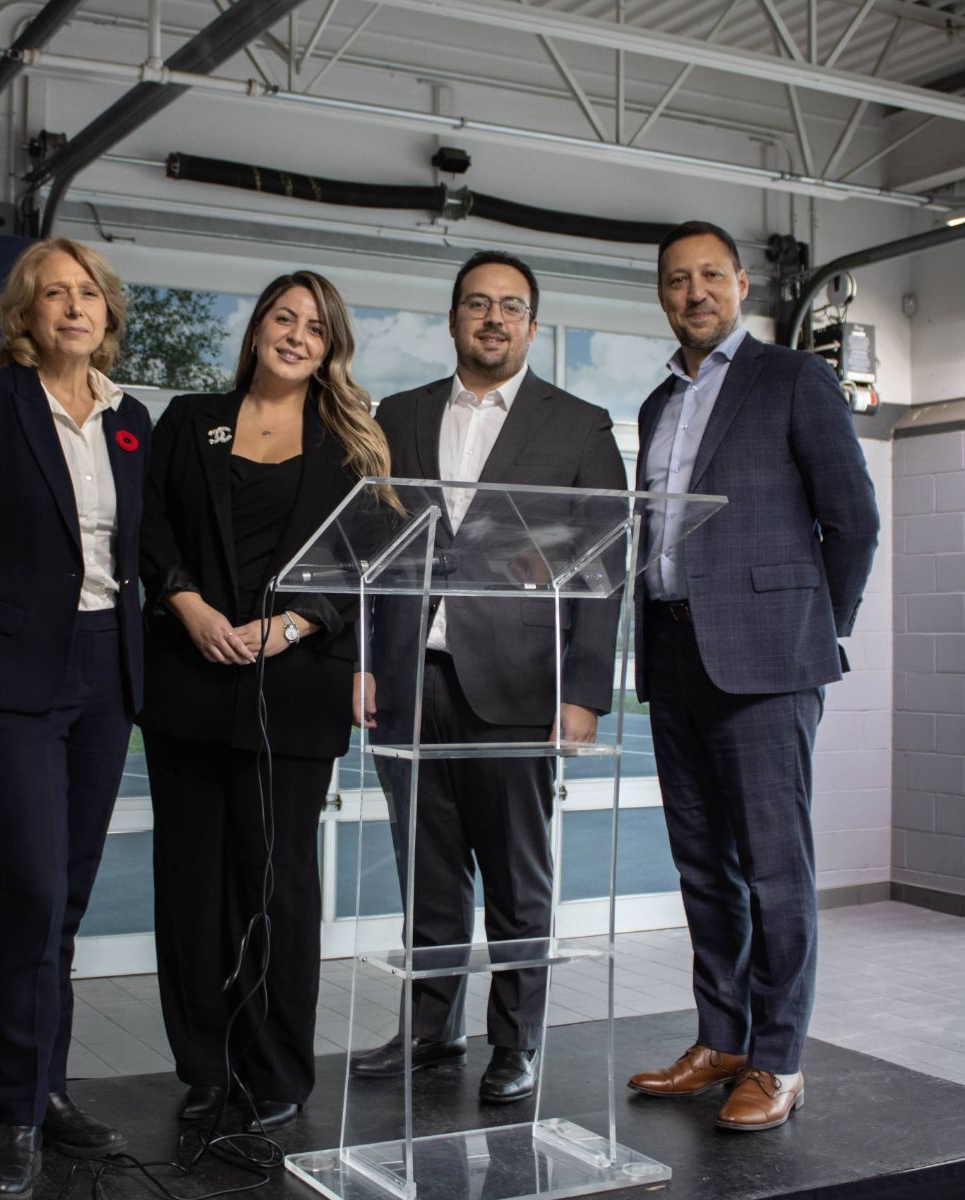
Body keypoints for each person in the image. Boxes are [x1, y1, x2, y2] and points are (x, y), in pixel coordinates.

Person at [0, 237, 150, 1199]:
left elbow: (144, 548)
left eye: (88, 293)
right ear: (25, 315)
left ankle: (50, 1090)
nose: (74, 307)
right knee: (34, 890)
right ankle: (15, 1112)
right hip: (9, 679)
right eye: (54, 293)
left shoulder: (134, 422)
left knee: (71, 898)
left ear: (107, 314)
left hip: (103, 672)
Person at [350, 250, 625, 1104]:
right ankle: (431, 1030)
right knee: (426, 874)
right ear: (453, 320)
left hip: (519, 685)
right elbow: (362, 550)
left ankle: (516, 1041)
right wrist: (361, 660)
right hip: (410, 679)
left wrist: (582, 692)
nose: (492, 319)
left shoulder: (579, 425)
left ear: (531, 327)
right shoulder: (394, 415)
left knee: (516, 877)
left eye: (510, 307)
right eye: (476, 304)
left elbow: (604, 569)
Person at [625, 220, 878, 1132]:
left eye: (708, 277)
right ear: (661, 294)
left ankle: (778, 1058)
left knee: (774, 870)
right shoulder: (657, 404)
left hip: (767, 664)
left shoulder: (794, 379)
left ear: (739, 284)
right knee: (704, 868)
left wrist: (814, 634)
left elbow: (853, 522)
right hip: (674, 654)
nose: (692, 293)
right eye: (675, 280)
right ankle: (721, 1038)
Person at [140, 271, 389, 1134]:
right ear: (255, 330)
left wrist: (292, 625)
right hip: (190, 679)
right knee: (192, 887)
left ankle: (277, 1069)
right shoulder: (186, 421)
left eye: (314, 327)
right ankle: (205, 1067)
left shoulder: (352, 443)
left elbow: (367, 560)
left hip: (292, 689)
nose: (295, 334)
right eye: (283, 318)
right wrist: (191, 607)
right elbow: (151, 528)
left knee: (276, 890)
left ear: (330, 348)